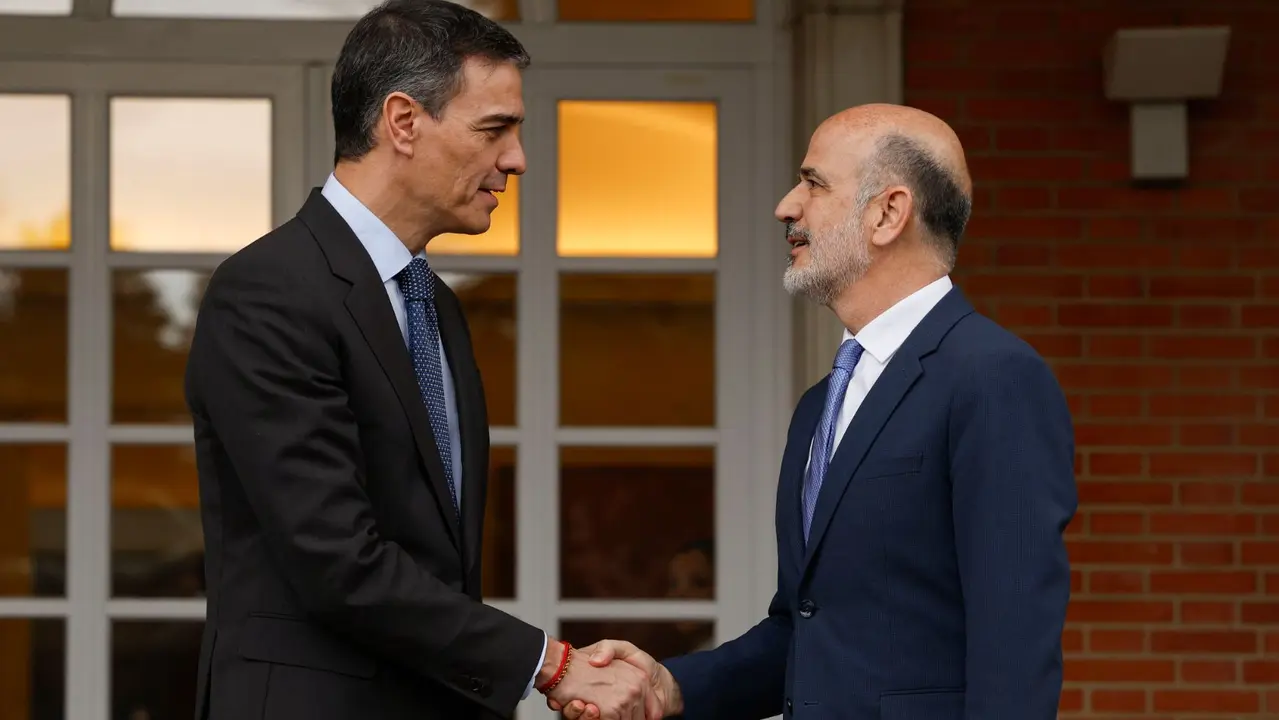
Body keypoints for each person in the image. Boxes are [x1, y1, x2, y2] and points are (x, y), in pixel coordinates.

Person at [184, 2, 651, 719]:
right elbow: (336, 561)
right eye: (494, 129)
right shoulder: (270, 291)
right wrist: (552, 666)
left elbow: (434, 561)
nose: (516, 158)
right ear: (402, 122)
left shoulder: (433, 304)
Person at [551, 103, 1078, 720]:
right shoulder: (819, 405)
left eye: (814, 183)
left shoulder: (994, 377)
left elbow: (1014, 647)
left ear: (888, 213)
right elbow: (810, 630)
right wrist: (670, 686)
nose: (787, 205)